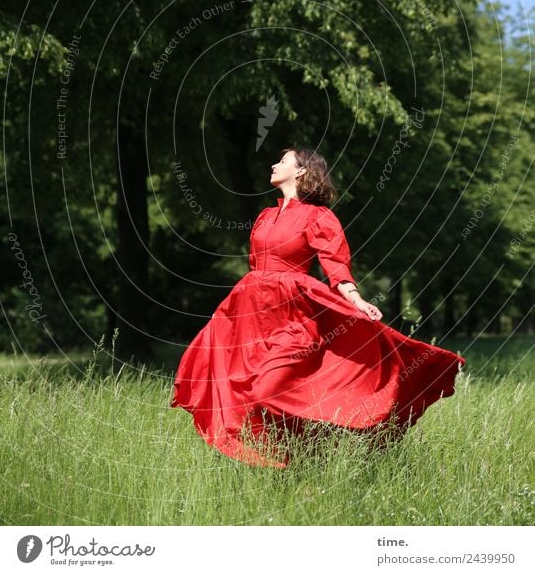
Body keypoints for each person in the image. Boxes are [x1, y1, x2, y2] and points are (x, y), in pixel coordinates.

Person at [171, 147, 466, 467]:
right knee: (237, 384)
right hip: (251, 311)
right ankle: (296, 463)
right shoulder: (265, 216)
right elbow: (257, 265)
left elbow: (336, 268)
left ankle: (312, 453)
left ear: (301, 172)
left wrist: (356, 299)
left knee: (270, 386)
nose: (274, 164)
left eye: (282, 161)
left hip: (294, 315)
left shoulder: (318, 217)